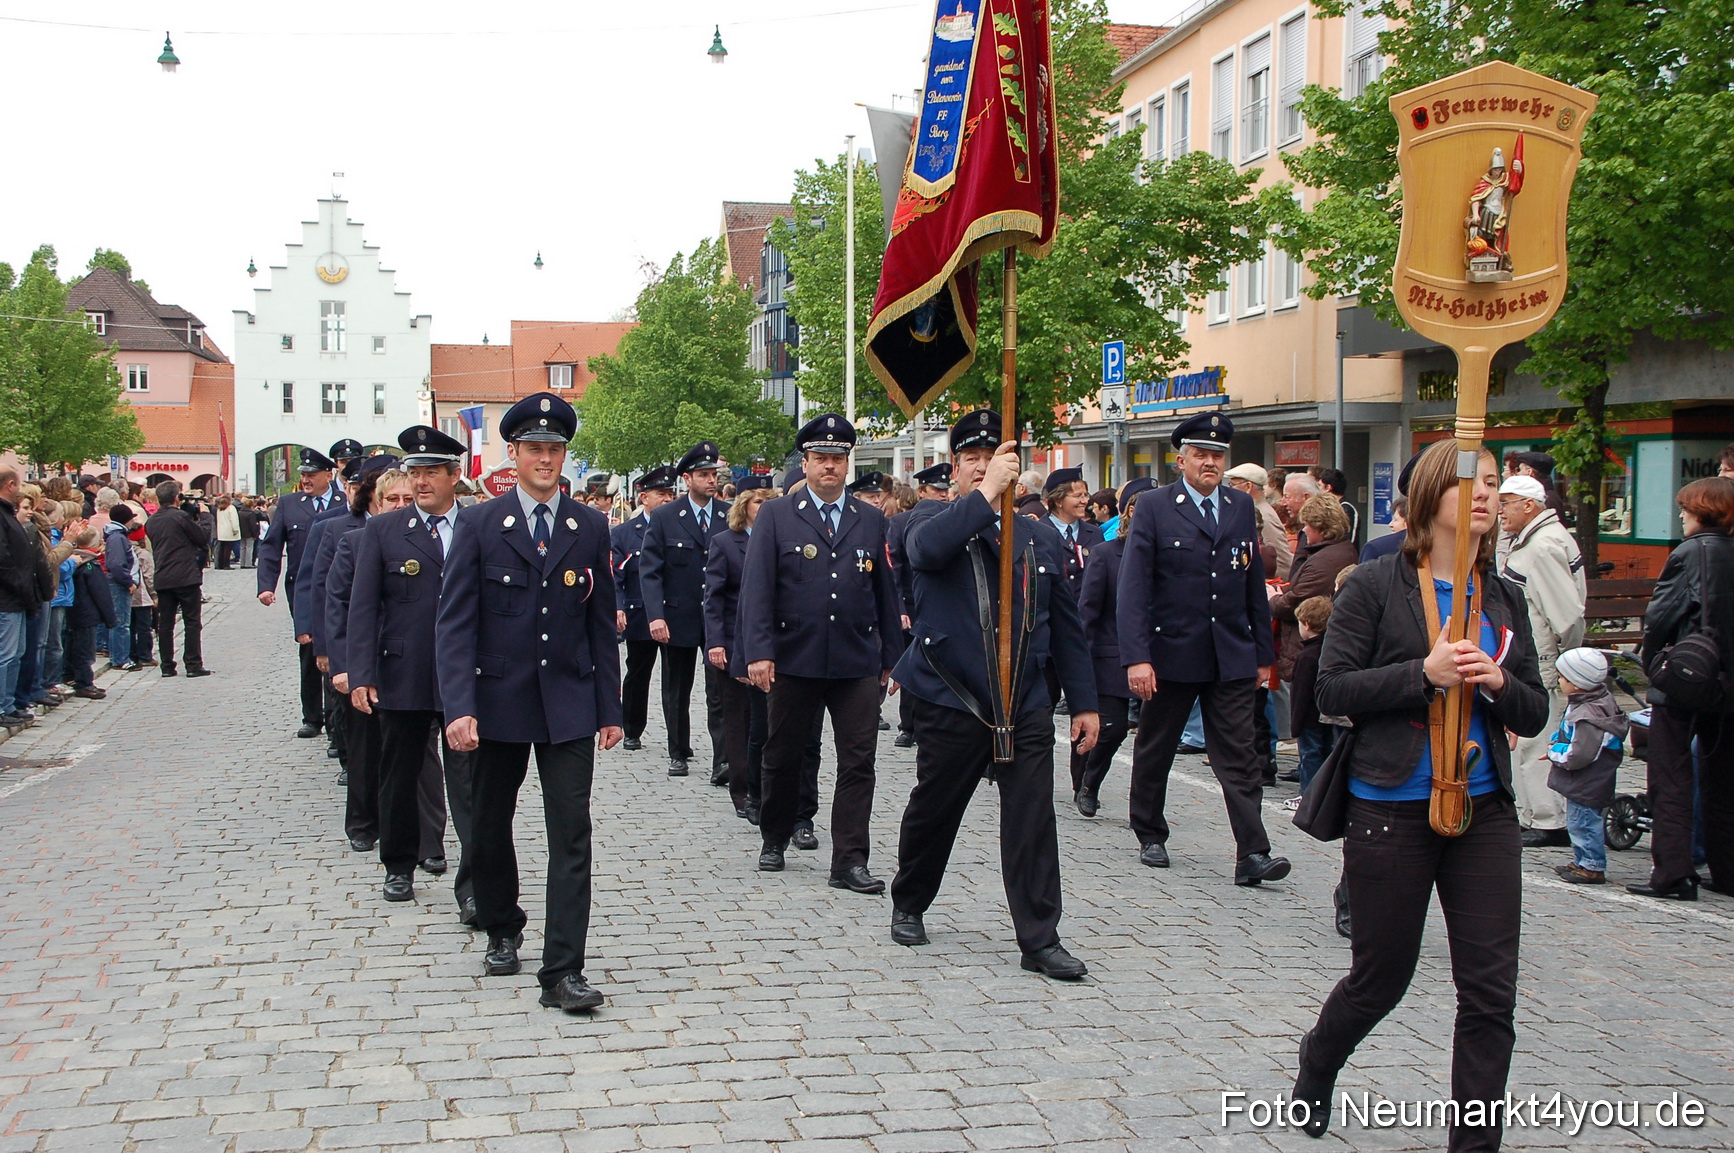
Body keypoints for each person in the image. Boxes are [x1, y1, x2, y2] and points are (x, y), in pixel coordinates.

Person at [1293, 438, 1548, 1149]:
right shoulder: (1377, 584)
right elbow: (1330, 689)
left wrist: (1498, 684)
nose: (1494, 495)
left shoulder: (1502, 595)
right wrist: (1423, 672)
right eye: (1482, 482)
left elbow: (1534, 710)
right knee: (1381, 978)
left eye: (1499, 483)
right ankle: (1320, 1058)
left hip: (1484, 808)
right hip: (1393, 807)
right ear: (1437, 494)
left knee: (1491, 995)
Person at [887, 409, 1100, 979]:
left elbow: (1065, 626)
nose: (984, 469)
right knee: (936, 809)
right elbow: (927, 553)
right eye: (972, 462)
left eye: (995, 461)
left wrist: (1084, 701)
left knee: (1032, 820)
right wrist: (984, 494)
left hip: (1024, 699)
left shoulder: (1036, 537)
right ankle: (909, 899)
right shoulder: (928, 519)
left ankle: (1039, 937)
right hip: (953, 694)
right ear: (956, 469)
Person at [436, 391, 622, 1013]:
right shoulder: (480, 524)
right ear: (512, 454)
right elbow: (455, 623)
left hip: (567, 701)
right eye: (535, 449)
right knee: (488, 827)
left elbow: (601, 623)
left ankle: (564, 969)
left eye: (555, 449)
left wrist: (610, 709)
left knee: (572, 832)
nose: (546, 459)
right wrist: (459, 706)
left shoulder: (589, 525)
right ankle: (502, 924)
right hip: (496, 702)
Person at [1117, 413, 1290, 885]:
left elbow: (1251, 580)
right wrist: (1137, 655)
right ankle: (1150, 830)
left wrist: (1261, 653)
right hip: (1172, 652)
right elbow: (1134, 587)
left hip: (1229, 652)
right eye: (1201, 455)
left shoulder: (1237, 506)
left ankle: (1252, 852)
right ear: (1182, 460)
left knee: (1239, 755)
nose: (1210, 462)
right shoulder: (1154, 506)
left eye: (1217, 455)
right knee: (1158, 746)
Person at [739, 414, 903, 892]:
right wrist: (759, 652)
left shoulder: (869, 519)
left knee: (858, 760)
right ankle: (775, 834)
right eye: (821, 458)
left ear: (847, 464)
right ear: (805, 463)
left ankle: (850, 860)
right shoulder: (776, 514)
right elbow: (757, 590)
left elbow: (884, 592)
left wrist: (892, 656)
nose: (829, 466)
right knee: (784, 752)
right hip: (795, 656)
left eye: (838, 458)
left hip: (855, 660)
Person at [349, 427, 472, 910]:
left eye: (430, 473)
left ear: (454, 476)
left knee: (469, 781)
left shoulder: (478, 525)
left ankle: (475, 875)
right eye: (414, 472)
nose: (420, 482)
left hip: (465, 675)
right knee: (398, 774)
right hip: (403, 671)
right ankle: (398, 865)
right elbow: (363, 608)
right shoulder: (384, 530)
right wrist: (362, 673)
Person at [1631, 475, 1734, 900]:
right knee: (1724, 781)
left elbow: (1662, 617)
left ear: (1700, 510)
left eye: (1685, 508)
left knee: (1670, 778)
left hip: (1688, 676)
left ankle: (1673, 873)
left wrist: (1652, 663)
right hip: (1727, 684)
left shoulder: (1690, 553)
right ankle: (1727, 871)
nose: (1680, 514)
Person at [324, 463, 413, 853]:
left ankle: (418, 833)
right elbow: (339, 606)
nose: (399, 506)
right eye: (392, 499)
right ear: (375, 503)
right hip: (366, 659)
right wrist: (343, 666)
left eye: (407, 499)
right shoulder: (356, 541)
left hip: (407, 664)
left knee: (409, 756)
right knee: (364, 748)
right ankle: (362, 822)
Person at [1496, 473, 1586, 849]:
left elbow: (1566, 615)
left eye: (1506, 502)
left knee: (1539, 738)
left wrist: (1567, 660)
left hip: (1546, 656)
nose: (1500, 511)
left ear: (1529, 505)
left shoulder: (1544, 544)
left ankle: (1548, 819)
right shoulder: (1536, 539)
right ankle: (1536, 814)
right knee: (1532, 736)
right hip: (1538, 652)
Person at [639, 441, 730, 777]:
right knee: (677, 687)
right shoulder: (665, 517)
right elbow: (650, 570)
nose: (711, 481)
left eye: (713, 475)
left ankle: (723, 757)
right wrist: (656, 615)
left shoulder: (727, 514)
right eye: (703, 475)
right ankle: (678, 750)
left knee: (720, 689)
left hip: (717, 618)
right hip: (678, 614)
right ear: (687, 479)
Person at [1073, 476, 1152, 815]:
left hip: (1155, 657)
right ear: (1131, 511)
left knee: (1150, 737)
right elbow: (1087, 610)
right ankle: (1087, 782)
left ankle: (1144, 806)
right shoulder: (1106, 554)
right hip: (1109, 656)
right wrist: (1081, 663)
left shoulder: (1163, 555)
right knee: (1112, 726)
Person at [706, 477, 776, 823]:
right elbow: (714, 598)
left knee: (767, 721)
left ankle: (767, 787)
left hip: (768, 643)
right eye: (757, 502)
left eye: (768, 500)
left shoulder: (779, 539)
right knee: (739, 720)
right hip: (735, 642)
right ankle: (742, 789)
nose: (764, 507)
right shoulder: (725, 543)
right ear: (743, 506)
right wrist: (716, 642)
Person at [258, 447, 342, 738]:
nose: (306, 480)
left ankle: (336, 721)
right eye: (304, 474)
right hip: (303, 589)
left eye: (312, 475)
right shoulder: (290, 504)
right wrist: (266, 585)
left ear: (328, 475)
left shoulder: (346, 502)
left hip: (338, 587)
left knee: (336, 651)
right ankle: (312, 716)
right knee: (309, 649)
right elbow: (271, 546)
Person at [1545, 647, 1629, 885]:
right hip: (1589, 778)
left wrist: (1554, 751)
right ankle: (1582, 859)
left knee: (1583, 821)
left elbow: (1579, 754)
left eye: (1563, 678)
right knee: (1580, 820)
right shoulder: (1591, 702)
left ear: (1577, 683)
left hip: (1588, 779)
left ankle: (1592, 865)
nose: (1560, 681)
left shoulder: (1588, 714)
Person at [611, 467, 675, 752]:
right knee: (638, 673)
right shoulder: (625, 533)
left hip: (672, 613)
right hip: (638, 613)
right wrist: (618, 606)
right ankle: (632, 729)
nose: (667, 499)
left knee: (675, 679)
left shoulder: (679, 527)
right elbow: (615, 574)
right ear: (644, 497)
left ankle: (678, 738)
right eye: (661, 494)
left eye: (670, 494)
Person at [143, 481, 212, 678]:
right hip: (185, 576)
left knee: (165, 623)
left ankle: (167, 666)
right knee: (191, 622)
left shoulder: (152, 521)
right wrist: (205, 516)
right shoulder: (180, 517)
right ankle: (193, 664)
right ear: (176, 498)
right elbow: (202, 537)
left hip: (163, 576)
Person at [0, 469, 41, 725]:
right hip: (8, 597)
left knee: (17, 653)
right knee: (6, 654)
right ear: (10, 485)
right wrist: (21, 586)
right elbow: (4, 560)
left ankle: (9, 703)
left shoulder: (7, 513)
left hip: (18, 597)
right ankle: (3, 706)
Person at [1286, 595, 1336, 795]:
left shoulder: (1308, 656)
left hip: (1308, 718)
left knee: (1310, 755)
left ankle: (1308, 796)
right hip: (1324, 715)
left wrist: (1295, 724)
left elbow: (1300, 693)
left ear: (1306, 625)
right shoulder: (1328, 650)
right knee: (1324, 753)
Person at [1224, 462, 1292, 581]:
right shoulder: (1254, 511)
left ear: (1248, 487)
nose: (1229, 490)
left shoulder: (1264, 516)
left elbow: (1281, 560)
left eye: (1232, 485)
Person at [101, 505, 138, 672]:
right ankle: (120, 658)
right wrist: (128, 581)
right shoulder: (118, 538)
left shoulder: (118, 536)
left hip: (119, 583)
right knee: (121, 623)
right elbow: (116, 564)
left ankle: (119, 656)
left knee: (120, 622)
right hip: (118, 584)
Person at [214, 495, 241, 569]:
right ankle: (226, 564)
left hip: (221, 531)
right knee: (228, 549)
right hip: (229, 531)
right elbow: (234, 519)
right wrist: (235, 529)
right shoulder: (231, 508)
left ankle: (220, 564)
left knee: (221, 549)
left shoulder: (219, 509)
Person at [237, 499, 261, 569]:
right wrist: (255, 534)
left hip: (241, 532)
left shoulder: (239, 512)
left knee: (242, 548)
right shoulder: (251, 513)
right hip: (249, 533)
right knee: (249, 548)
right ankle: (248, 563)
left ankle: (242, 563)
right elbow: (252, 525)